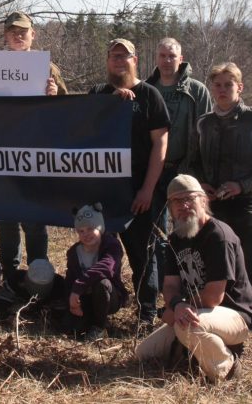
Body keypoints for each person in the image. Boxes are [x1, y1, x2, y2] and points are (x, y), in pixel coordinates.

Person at [191, 62, 252, 340]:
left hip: (245, 205)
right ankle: (223, 322)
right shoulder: (203, 123)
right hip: (210, 206)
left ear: (240, 87)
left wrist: (242, 186)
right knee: (213, 265)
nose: (222, 90)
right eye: (217, 85)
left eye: (228, 85)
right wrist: (202, 185)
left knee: (248, 266)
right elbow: (192, 162)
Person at [0, 11, 67, 280]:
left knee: (35, 219)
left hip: (35, 155)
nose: (18, 35)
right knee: (5, 218)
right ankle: (11, 278)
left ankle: (39, 277)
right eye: (13, 31)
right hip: (2, 154)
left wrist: (54, 95)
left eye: (23, 31)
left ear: (32, 34)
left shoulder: (47, 68)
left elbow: (68, 109)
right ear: (5, 35)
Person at [136, 175, 252, 383]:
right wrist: (176, 304)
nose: (183, 205)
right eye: (176, 201)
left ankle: (226, 366)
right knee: (144, 353)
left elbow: (213, 297)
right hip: (194, 311)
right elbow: (170, 285)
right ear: (170, 209)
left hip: (235, 315)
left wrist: (178, 309)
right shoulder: (175, 240)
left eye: (189, 199)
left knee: (186, 326)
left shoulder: (218, 236)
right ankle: (196, 351)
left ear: (204, 201)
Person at [88, 38, 169, 331]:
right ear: (107, 60)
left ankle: (146, 315)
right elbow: (82, 128)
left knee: (143, 255)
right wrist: (110, 104)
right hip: (104, 193)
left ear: (136, 60)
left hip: (138, 193)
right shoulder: (98, 93)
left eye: (124, 56)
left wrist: (148, 189)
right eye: (113, 56)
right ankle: (100, 309)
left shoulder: (150, 96)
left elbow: (160, 144)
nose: (118, 61)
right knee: (100, 253)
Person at [145, 37, 211, 285]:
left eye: (172, 56)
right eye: (162, 55)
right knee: (156, 235)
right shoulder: (147, 89)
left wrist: (201, 176)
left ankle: (193, 288)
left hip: (185, 173)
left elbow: (205, 135)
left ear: (180, 59)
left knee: (188, 233)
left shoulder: (196, 90)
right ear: (156, 58)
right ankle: (165, 289)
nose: (166, 60)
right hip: (153, 172)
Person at [64, 203, 128, 341]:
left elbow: (106, 267)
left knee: (102, 283)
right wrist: (70, 299)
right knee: (71, 328)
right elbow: (70, 278)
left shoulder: (111, 245)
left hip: (109, 296)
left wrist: (77, 287)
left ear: (100, 227)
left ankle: (100, 326)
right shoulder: (73, 252)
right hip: (84, 298)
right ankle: (87, 319)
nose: (86, 234)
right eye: (81, 231)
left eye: (90, 228)